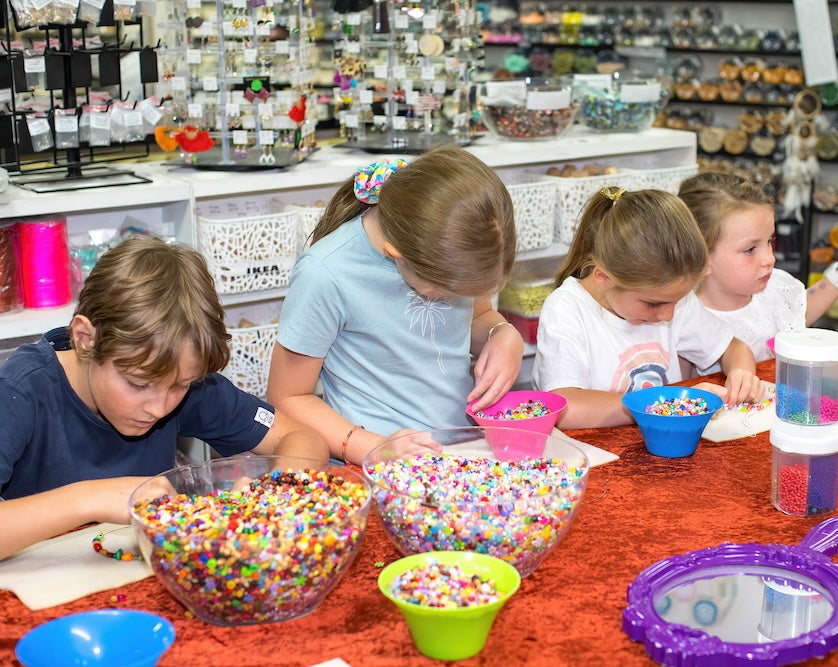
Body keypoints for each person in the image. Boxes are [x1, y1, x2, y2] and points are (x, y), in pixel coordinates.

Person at [0, 237, 329, 560]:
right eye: (138, 384)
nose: (159, 407)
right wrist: (87, 498)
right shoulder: (18, 393)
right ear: (86, 339)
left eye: (181, 385)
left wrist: (270, 493)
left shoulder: (179, 380)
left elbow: (302, 439)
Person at [267, 145, 523, 465]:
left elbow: (478, 315)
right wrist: (373, 447)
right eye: (443, 290)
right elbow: (288, 397)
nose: (453, 297)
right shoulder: (326, 273)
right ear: (394, 253)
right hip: (376, 462)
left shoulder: (451, 247)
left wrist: (502, 334)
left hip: (460, 450)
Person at [532, 186, 765, 430]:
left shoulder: (670, 296)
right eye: (653, 304)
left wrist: (742, 375)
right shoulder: (567, 309)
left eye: (677, 300)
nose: (668, 315)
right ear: (603, 278)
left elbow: (733, 347)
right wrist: (663, 404)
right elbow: (565, 409)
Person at [678, 172, 838, 371]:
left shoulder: (774, 289)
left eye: (769, 241)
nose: (769, 258)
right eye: (750, 249)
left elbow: (799, 313)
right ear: (700, 257)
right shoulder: (686, 322)